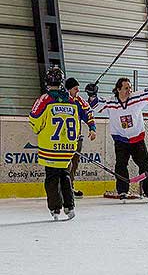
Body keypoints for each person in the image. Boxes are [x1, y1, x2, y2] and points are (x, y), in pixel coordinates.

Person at [86, 66, 148, 202]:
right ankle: (122, 191)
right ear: (118, 89)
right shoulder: (110, 102)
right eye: (126, 88)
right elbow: (95, 105)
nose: (129, 90)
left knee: (144, 166)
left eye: (130, 88)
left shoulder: (136, 98)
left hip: (137, 140)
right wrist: (91, 95)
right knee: (120, 165)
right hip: (121, 141)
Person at [29, 67, 86, 220]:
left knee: (52, 178)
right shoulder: (71, 100)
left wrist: (40, 130)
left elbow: (34, 120)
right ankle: (70, 207)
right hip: (68, 147)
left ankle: (55, 209)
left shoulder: (45, 99)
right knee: (65, 175)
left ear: (47, 81)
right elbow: (78, 121)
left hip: (50, 147)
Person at [65, 77, 97, 198]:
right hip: (64, 139)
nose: (78, 91)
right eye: (75, 88)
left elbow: (88, 112)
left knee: (74, 163)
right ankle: (64, 188)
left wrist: (92, 128)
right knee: (65, 164)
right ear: (68, 89)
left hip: (76, 138)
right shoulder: (62, 100)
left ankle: (70, 187)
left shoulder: (79, 101)